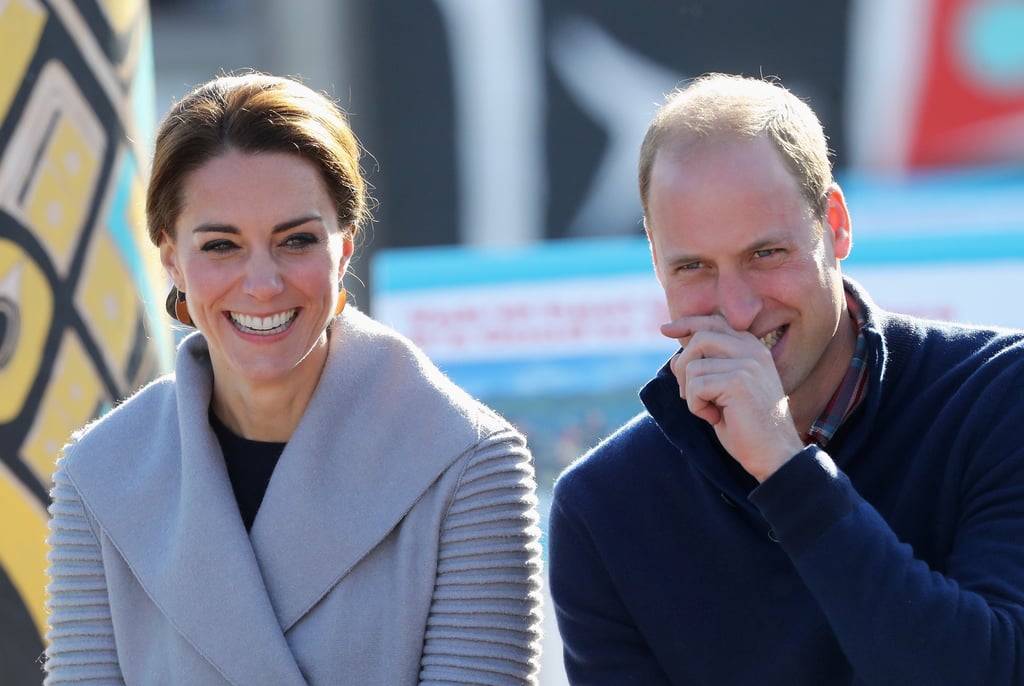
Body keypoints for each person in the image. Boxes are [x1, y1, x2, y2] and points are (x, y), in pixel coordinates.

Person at [44, 72, 543, 685]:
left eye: (296, 240)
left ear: (345, 249)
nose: (262, 283)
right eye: (221, 245)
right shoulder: (98, 474)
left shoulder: (467, 461)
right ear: (171, 257)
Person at [548, 72, 1024, 685]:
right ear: (655, 264)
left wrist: (784, 466)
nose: (738, 309)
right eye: (693, 267)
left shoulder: (997, 395)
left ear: (835, 224)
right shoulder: (604, 504)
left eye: (765, 255)